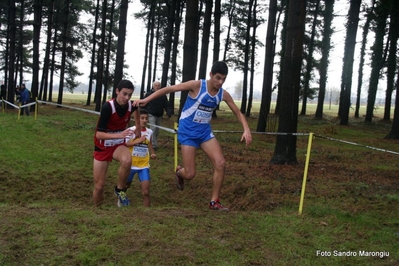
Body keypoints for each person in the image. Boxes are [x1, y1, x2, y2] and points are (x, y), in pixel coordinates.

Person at [133, 61, 252, 211]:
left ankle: (214, 201)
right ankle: (179, 172)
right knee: (190, 174)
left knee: (220, 163)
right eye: (218, 78)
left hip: (204, 132)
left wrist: (246, 129)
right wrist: (146, 99)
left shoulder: (223, 94)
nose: (220, 82)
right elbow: (170, 89)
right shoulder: (197, 85)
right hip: (187, 132)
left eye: (223, 79)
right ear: (210, 75)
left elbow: (237, 112)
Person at [93, 79, 141, 207]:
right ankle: (97, 210)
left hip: (117, 145)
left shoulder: (131, 105)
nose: (127, 98)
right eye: (124, 94)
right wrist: (119, 134)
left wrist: (138, 127)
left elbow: (136, 109)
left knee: (127, 160)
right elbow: (98, 134)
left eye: (130, 95)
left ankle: (119, 190)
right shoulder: (108, 107)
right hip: (102, 146)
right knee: (99, 186)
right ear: (117, 91)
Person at [124, 109, 157, 207]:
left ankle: (147, 214)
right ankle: (121, 198)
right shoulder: (131, 130)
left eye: (146, 118)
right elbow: (125, 144)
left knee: (146, 192)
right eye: (142, 118)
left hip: (144, 166)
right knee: (126, 186)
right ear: (137, 119)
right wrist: (137, 141)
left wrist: (152, 153)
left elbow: (149, 143)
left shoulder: (149, 131)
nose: (144, 120)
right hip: (131, 165)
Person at [144, 80, 173, 150]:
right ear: (153, 86)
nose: (157, 87)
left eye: (158, 85)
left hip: (159, 115)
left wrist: (169, 112)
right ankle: (154, 145)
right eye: (156, 85)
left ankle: (152, 141)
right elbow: (144, 103)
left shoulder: (163, 96)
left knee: (157, 130)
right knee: (153, 129)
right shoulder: (148, 94)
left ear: (160, 87)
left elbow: (166, 104)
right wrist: (143, 112)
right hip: (151, 114)